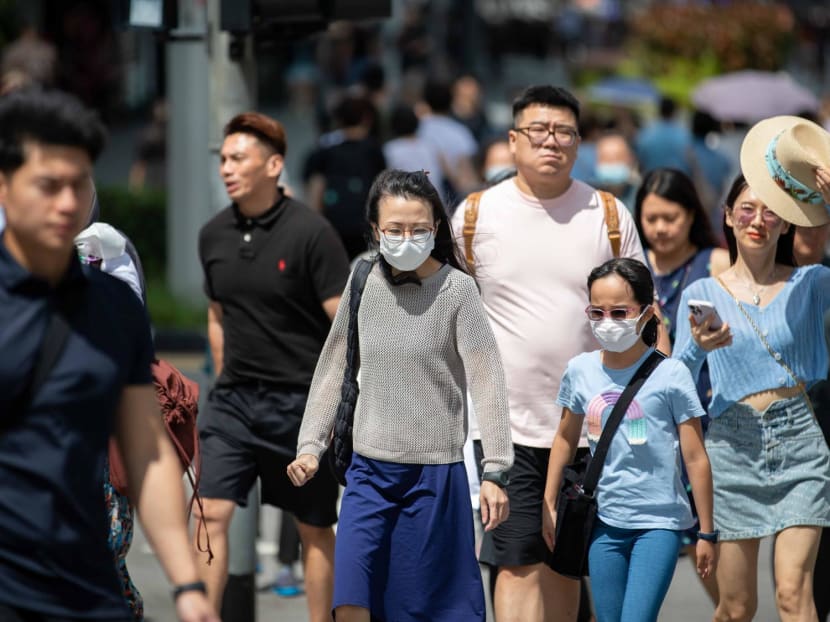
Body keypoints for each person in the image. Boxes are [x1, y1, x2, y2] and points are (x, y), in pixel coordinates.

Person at [0, 89, 216, 621]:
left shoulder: (115, 304)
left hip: (90, 586)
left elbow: (148, 454)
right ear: (4, 187)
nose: (69, 202)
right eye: (48, 185)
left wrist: (187, 587)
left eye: (79, 183)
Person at [451, 85, 648, 622]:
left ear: (579, 143)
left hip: (589, 427)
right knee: (514, 561)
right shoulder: (474, 216)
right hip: (502, 426)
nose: (551, 142)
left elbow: (646, 317)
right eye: (538, 131)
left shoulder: (607, 214)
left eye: (564, 132)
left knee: (567, 564)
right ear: (513, 141)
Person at [288, 169, 513, 621]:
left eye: (418, 229)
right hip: (367, 473)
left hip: (435, 477)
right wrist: (310, 445)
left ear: (436, 229)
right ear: (375, 230)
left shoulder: (458, 290)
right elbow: (334, 364)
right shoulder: (361, 279)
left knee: (423, 607)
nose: (406, 237)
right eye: (394, 229)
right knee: (351, 597)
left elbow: (488, 378)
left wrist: (496, 469)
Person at [674, 114, 830, 622]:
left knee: (793, 594)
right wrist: (697, 348)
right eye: (746, 211)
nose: (757, 221)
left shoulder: (812, 283)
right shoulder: (700, 295)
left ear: (786, 220)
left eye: (769, 213)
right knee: (737, 608)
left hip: (800, 442)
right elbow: (678, 378)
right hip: (731, 448)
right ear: (727, 216)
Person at [195, 111, 350, 621]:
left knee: (312, 527)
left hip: (301, 404)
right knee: (208, 512)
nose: (226, 168)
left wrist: (340, 402)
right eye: (222, 158)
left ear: (274, 165)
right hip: (234, 402)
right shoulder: (212, 234)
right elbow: (217, 313)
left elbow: (344, 323)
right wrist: (223, 373)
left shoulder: (312, 233)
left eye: (238, 158)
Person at [543, 257, 717, 622]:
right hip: (603, 523)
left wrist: (706, 532)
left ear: (646, 313)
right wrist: (549, 502)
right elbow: (564, 437)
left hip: (659, 524)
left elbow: (696, 457)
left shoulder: (672, 374)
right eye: (597, 312)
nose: (607, 322)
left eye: (619, 312)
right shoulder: (580, 370)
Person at [634, 167, 729, 604]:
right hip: (646, 433)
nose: (659, 228)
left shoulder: (715, 263)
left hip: (707, 427)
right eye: (650, 218)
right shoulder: (633, 270)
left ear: (692, 214)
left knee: (718, 569)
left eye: (670, 217)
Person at [792, 222, 830, 622]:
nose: (810, 228)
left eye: (820, 216)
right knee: (799, 589)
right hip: (795, 441)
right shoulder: (768, 280)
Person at [304, 93, 386, 259]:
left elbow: (316, 189)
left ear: (339, 120)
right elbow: (382, 189)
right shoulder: (374, 150)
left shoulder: (325, 152)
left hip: (334, 225)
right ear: (367, 119)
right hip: (366, 227)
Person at [636, 96, 692, 176]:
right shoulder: (685, 135)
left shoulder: (646, 133)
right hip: (678, 181)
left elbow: (640, 160)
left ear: (659, 111)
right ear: (674, 112)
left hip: (652, 181)